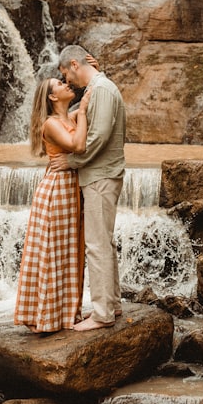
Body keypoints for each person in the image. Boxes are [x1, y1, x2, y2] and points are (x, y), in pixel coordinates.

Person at [50, 44, 126, 331]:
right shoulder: (99, 88)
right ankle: (113, 305)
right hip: (101, 175)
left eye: (65, 75)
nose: (67, 81)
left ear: (73, 64)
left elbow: (97, 138)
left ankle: (102, 314)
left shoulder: (102, 90)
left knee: (96, 245)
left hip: (100, 176)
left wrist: (70, 161)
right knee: (104, 243)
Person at [13, 76, 91, 333]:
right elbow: (78, 145)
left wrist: (93, 75)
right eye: (59, 83)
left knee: (70, 250)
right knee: (52, 251)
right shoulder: (51, 123)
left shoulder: (70, 117)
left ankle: (66, 314)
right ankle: (45, 316)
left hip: (72, 189)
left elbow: (91, 94)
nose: (67, 84)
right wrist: (83, 112)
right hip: (57, 191)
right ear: (52, 97)